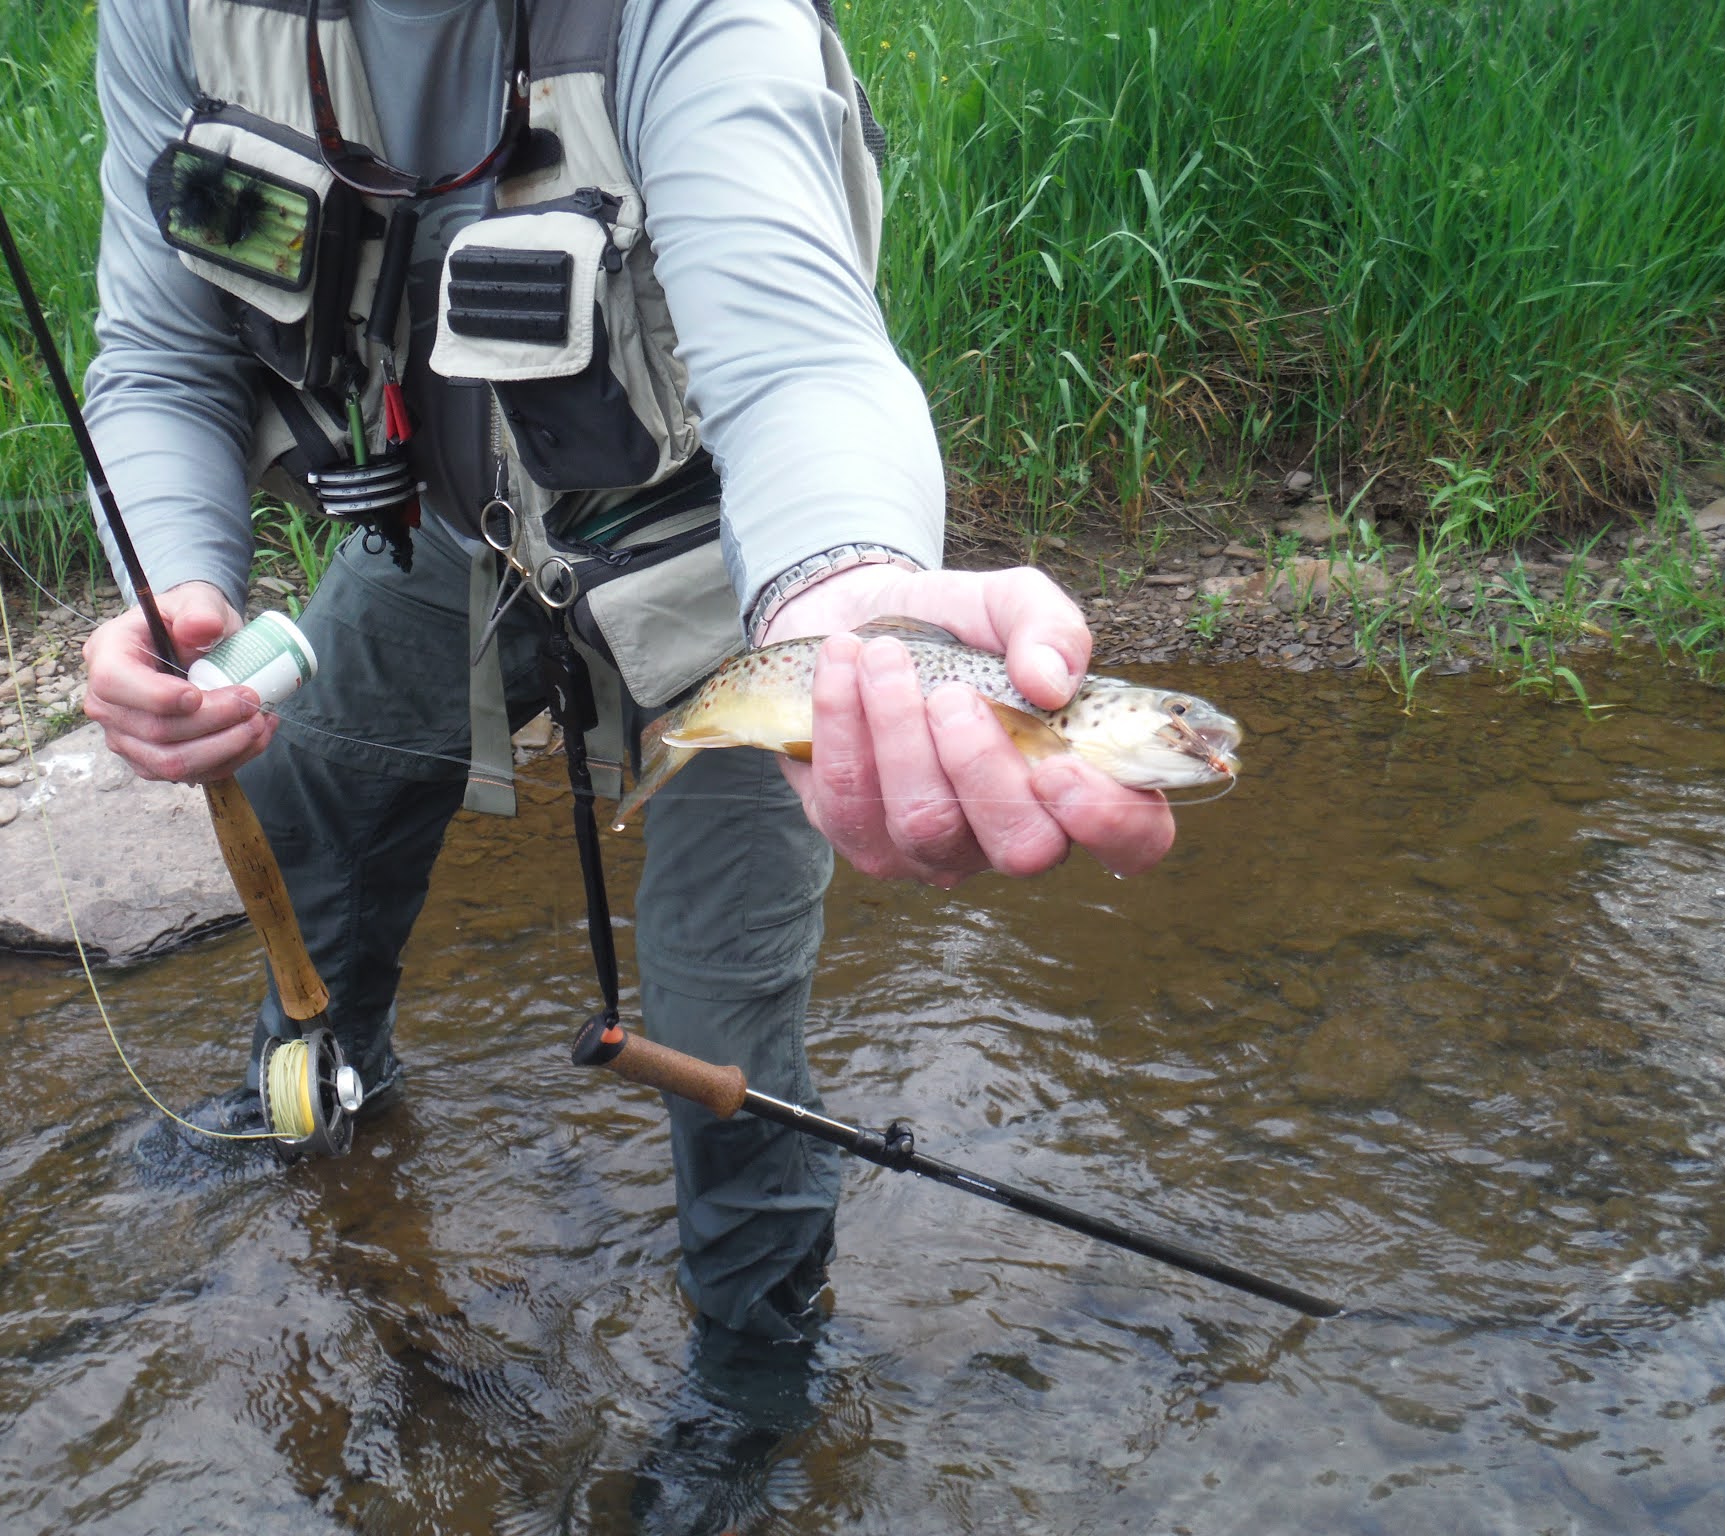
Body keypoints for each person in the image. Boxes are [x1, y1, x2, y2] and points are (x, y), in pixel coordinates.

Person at [79, 0, 1174, 1346]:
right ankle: (314, 1082)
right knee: (312, 810)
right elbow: (160, 357)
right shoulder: (171, 16)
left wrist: (841, 583)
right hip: (439, 530)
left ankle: (756, 1354)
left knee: (721, 1003)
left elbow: (802, 367)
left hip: (730, 573)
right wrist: (180, 579)